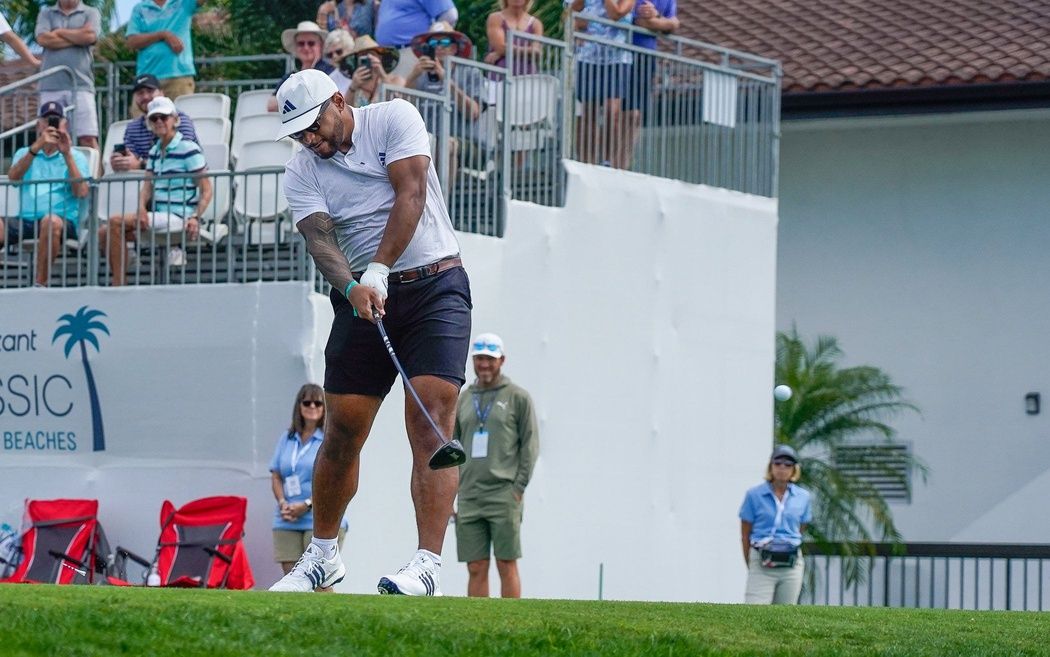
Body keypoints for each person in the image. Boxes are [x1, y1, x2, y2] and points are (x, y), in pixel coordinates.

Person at [268, 69, 470, 596]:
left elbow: (411, 194)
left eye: (314, 126)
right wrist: (352, 284)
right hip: (361, 300)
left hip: (435, 286)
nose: (310, 140)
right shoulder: (301, 168)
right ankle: (323, 558)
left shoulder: (394, 118)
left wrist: (377, 269)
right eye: (299, 134)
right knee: (341, 431)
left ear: (339, 101)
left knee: (430, 421)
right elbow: (318, 239)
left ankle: (426, 566)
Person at [453, 333, 539, 598]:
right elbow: (453, 448)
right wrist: (452, 493)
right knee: (476, 566)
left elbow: (530, 445)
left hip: (503, 493)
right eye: (479, 359)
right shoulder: (464, 399)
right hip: (469, 495)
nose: (485, 365)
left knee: (506, 562)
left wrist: (518, 487)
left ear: (502, 360)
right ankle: (477, 623)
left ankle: (511, 622)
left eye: (490, 359)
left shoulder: (518, 397)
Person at [100, 97, 212, 287]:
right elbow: (147, 187)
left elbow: (207, 189)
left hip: (180, 215)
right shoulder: (154, 151)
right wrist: (141, 209)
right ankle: (125, 271)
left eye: (163, 117)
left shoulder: (189, 149)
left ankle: (118, 284)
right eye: (154, 118)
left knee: (115, 222)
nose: (159, 121)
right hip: (160, 215)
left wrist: (195, 216)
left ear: (175, 120)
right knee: (104, 233)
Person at [270, 384, 349, 589]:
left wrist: (307, 504)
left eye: (318, 402)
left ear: (325, 408)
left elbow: (337, 479)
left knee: (321, 582)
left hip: (321, 518)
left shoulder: (330, 439)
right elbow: (276, 475)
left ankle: (330, 620)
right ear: (299, 406)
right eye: (307, 402)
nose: (312, 406)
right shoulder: (287, 438)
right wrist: (282, 503)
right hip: (287, 519)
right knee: (292, 582)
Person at [2, 103, 89, 287]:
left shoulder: (76, 156)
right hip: (25, 219)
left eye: (56, 121)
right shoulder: (25, 152)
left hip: (63, 220)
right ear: (38, 125)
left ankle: (40, 284)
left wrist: (67, 155)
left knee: (50, 221)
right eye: (47, 121)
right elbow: (14, 178)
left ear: (65, 125)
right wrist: (37, 147)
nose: (51, 125)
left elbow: (81, 192)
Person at [738, 444, 812, 605]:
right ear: (770, 467)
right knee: (754, 611)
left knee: (785, 614)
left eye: (788, 464)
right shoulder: (754, 495)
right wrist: (751, 560)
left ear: (794, 470)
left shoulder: (803, 497)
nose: (782, 468)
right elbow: (745, 534)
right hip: (762, 559)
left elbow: (801, 528)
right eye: (777, 463)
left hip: (790, 562)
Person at [407, 21, 481, 178]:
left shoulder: (470, 72)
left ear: (454, 48)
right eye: (433, 42)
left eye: (444, 42)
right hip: (426, 141)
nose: (438, 47)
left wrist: (446, 79)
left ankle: (442, 202)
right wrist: (412, 77)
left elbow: (473, 112)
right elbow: (403, 108)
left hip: (467, 143)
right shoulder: (418, 74)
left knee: (447, 144)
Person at [571, 0, 636, 168]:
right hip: (588, 55)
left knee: (612, 112)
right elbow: (574, 14)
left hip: (617, 57)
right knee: (588, 113)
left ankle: (608, 161)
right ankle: (588, 163)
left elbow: (616, 13)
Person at [35, 0, 102, 150]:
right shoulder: (46, 13)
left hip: (82, 85)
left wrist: (58, 32)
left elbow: (90, 37)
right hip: (50, 86)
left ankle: (95, 174)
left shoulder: (91, 12)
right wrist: (78, 37)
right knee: (48, 137)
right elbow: (43, 39)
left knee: (88, 138)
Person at [622, 0, 678, 169]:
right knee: (618, 114)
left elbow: (674, 24)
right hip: (621, 54)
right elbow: (638, 21)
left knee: (635, 115)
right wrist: (661, 23)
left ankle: (623, 165)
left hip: (646, 57)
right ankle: (610, 161)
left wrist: (657, 17)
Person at [110, 74, 199, 172]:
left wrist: (141, 165)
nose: (145, 96)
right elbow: (131, 159)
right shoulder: (133, 128)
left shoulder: (181, 120)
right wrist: (122, 162)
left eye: (150, 91)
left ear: (161, 93)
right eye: (140, 93)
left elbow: (181, 158)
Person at [125, 0, 206, 106]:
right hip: (147, 79)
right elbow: (132, 42)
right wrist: (163, 35)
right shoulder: (140, 8)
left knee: (181, 120)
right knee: (142, 122)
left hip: (178, 76)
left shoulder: (183, 3)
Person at [374, 0, 459, 78]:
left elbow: (450, 15)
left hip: (410, 51)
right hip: (386, 55)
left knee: (404, 93)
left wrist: (432, 41)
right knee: (390, 93)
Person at [267, 21, 333, 113]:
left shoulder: (330, 71)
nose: (306, 48)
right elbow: (271, 105)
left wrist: (291, 100)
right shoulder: (290, 76)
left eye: (311, 43)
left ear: (320, 45)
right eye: (301, 43)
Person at [483, 0, 543, 74]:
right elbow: (500, 47)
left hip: (528, 77)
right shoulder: (496, 18)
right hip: (500, 77)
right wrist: (528, 51)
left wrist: (502, 52)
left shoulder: (535, 23)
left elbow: (536, 52)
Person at [344, 36, 406, 108]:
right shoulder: (355, 85)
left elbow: (400, 102)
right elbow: (346, 110)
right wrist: (353, 86)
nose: (367, 58)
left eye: (371, 53)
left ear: (380, 57)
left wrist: (382, 75)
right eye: (362, 55)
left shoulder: (396, 80)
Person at [324, 29, 356, 95]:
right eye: (330, 55)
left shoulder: (364, 68)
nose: (334, 56)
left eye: (339, 52)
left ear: (350, 49)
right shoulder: (330, 80)